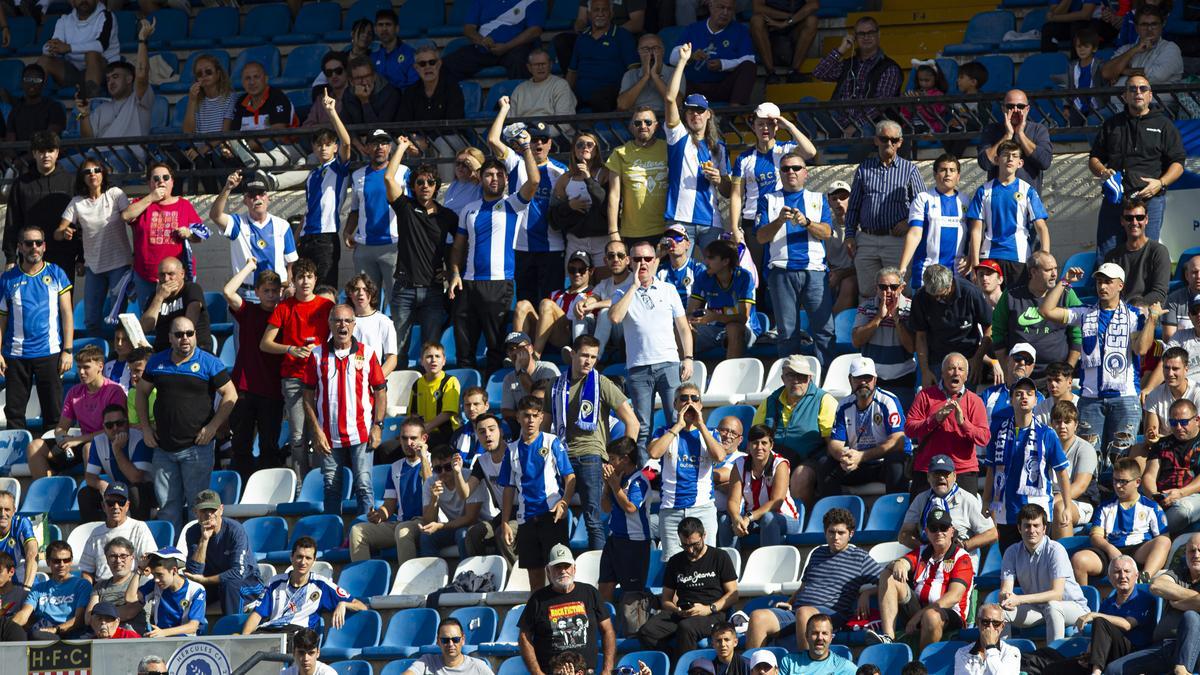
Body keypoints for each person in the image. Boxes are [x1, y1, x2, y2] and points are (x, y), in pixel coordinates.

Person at [1039, 262, 1160, 459]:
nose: (1102, 287)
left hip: (1125, 396)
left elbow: (1141, 348)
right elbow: (1046, 310)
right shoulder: (1085, 312)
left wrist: (1152, 320)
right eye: (1099, 282)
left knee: (1121, 457)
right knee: (1089, 458)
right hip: (1090, 398)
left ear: (1120, 285)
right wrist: (1064, 282)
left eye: (1108, 282)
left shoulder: (1134, 315)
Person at [448, 134, 541, 375]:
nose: (495, 179)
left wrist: (527, 149)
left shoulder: (512, 204)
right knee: (464, 347)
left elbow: (533, 181)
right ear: (480, 178)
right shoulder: (469, 209)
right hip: (467, 284)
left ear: (506, 180)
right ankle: (465, 395)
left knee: (495, 347)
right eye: (489, 174)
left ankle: (491, 403)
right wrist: (455, 273)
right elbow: (458, 246)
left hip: (499, 284)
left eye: (500, 175)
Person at [136, 316, 238, 531]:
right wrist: (145, 427)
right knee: (166, 508)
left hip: (197, 448)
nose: (185, 338)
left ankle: (197, 557)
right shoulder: (157, 361)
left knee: (198, 507)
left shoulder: (208, 361)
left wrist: (213, 427)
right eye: (179, 334)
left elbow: (231, 395)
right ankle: (170, 558)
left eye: (189, 333)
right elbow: (141, 394)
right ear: (170, 338)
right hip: (163, 448)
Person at [744, 507, 881, 650]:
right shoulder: (817, 553)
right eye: (831, 532)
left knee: (804, 613)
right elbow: (804, 586)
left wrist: (867, 593)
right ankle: (750, 668)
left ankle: (805, 666)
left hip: (832, 615)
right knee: (757, 617)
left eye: (841, 533)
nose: (836, 537)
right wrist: (790, 602)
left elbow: (886, 581)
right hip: (798, 611)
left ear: (850, 534)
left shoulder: (860, 557)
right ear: (825, 532)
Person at [548, 335, 639, 549]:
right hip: (560, 456)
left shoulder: (601, 383)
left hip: (591, 455)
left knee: (593, 519)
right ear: (572, 354)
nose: (589, 361)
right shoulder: (555, 384)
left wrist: (625, 459)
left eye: (593, 357)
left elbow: (632, 422)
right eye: (584, 355)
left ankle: (597, 572)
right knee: (553, 515)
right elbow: (545, 424)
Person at [610, 241, 695, 454]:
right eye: (637, 259)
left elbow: (684, 328)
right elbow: (615, 317)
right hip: (638, 368)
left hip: (668, 363)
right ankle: (642, 475)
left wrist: (688, 357)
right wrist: (634, 286)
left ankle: (676, 469)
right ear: (629, 262)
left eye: (648, 258)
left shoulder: (668, 289)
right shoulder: (621, 292)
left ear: (655, 261)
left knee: (677, 420)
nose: (643, 263)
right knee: (642, 427)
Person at [1088, 74, 1185, 256]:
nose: (1137, 92)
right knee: (1108, 255)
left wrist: (1160, 183)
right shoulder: (1112, 124)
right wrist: (1102, 171)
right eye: (1132, 89)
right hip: (1115, 201)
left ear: (1150, 95)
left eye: (1143, 89)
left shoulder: (1164, 125)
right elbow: (1094, 159)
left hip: (1150, 200)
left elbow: (1178, 163)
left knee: (1146, 255)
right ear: (1125, 96)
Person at [301, 304, 383, 516]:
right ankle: (333, 537)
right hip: (328, 434)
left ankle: (365, 533)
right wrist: (316, 431)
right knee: (330, 488)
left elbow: (381, 391)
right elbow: (307, 396)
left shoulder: (368, 353)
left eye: (347, 320)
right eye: (337, 320)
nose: (342, 325)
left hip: (362, 432)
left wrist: (378, 426)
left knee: (364, 486)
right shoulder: (317, 355)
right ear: (329, 324)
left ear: (354, 324)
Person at [261, 259, 334, 483]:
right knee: (298, 436)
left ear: (315, 279)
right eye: (300, 277)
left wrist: (321, 349)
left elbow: (342, 338)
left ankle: (324, 483)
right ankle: (301, 487)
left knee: (320, 432)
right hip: (293, 378)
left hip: (321, 377)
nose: (305, 282)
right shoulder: (284, 307)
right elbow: (265, 343)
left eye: (309, 277)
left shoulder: (326, 306)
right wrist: (291, 348)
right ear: (293, 281)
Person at [754, 149, 832, 361]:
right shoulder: (768, 200)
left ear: (805, 173)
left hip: (814, 271)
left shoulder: (818, 198)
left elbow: (827, 232)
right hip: (781, 271)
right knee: (787, 333)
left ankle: (824, 379)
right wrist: (779, 221)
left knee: (824, 331)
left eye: (796, 168)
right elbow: (760, 238)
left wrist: (806, 222)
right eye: (786, 169)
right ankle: (791, 382)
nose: (791, 172)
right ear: (780, 173)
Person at [488, 105, 568, 306]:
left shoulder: (561, 170)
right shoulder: (515, 162)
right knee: (525, 304)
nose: (539, 143)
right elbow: (492, 140)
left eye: (544, 139)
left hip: (552, 246)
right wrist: (505, 109)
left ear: (550, 144)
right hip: (521, 247)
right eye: (534, 139)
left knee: (549, 304)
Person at [981, 375, 1072, 550]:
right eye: (1019, 393)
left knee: (1039, 566)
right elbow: (992, 470)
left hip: (1037, 511)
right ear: (1010, 399)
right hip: (1006, 512)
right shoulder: (998, 433)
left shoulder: (1047, 433)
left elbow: (1062, 472)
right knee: (1012, 565)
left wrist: (1067, 506)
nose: (1024, 397)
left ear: (1036, 400)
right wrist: (986, 500)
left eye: (1029, 393)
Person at [866, 508, 973, 652]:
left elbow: (954, 597)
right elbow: (904, 562)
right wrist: (899, 563)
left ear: (951, 531)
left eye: (944, 527)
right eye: (934, 528)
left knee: (931, 616)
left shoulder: (962, 557)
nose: (939, 532)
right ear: (927, 532)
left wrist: (920, 615)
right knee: (888, 575)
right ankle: (888, 638)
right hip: (919, 607)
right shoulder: (923, 552)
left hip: (948, 613)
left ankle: (922, 664)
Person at [0, 223, 73, 432]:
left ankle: (52, 458)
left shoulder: (56, 273)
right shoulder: (7, 279)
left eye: (38, 243)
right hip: (16, 355)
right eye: (29, 243)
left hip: (49, 353)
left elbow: (67, 314)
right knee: (14, 413)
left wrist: (67, 350)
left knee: (53, 411)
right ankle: (17, 459)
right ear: (20, 247)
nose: (34, 247)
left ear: (44, 246)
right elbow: (1, 319)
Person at [385, 150, 456, 366]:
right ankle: (396, 391)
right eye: (420, 181)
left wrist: (452, 270)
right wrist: (400, 149)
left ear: (436, 186)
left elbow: (461, 245)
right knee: (397, 349)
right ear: (413, 185)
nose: (425, 185)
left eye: (430, 182)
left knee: (431, 351)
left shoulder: (448, 216)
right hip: (404, 288)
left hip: (434, 290)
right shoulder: (405, 207)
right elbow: (388, 177)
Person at [844, 120, 927, 299]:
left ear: (900, 142)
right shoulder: (864, 169)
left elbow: (923, 205)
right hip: (866, 239)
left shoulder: (910, 170)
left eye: (894, 140)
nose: (889, 143)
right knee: (867, 292)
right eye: (884, 139)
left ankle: (898, 326)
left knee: (900, 291)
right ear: (876, 140)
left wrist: (908, 223)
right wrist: (849, 235)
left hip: (897, 242)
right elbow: (854, 206)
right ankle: (870, 326)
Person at [500, 396, 576, 591]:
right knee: (534, 575)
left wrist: (564, 503)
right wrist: (505, 522)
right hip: (526, 519)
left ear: (542, 417)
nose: (531, 420)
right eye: (526, 416)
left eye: (535, 415)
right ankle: (541, 618)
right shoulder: (511, 450)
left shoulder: (552, 442)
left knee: (559, 573)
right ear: (518, 417)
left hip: (552, 516)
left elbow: (570, 477)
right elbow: (508, 489)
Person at [638, 517, 738, 659]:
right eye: (684, 545)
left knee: (686, 627)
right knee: (646, 631)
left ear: (704, 536)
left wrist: (709, 608)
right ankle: (674, 664)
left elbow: (733, 594)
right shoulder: (675, 561)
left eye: (695, 544)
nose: (690, 550)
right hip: (683, 612)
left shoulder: (719, 557)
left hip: (712, 613)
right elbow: (666, 599)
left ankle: (687, 669)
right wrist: (676, 610)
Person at [664, 44, 731, 253]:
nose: (695, 115)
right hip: (680, 219)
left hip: (711, 221)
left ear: (708, 114)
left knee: (716, 272)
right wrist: (683, 62)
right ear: (685, 115)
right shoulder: (679, 137)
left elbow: (728, 191)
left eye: (700, 111)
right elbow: (669, 99)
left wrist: (719, 179)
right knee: (679, 273)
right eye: (691, 111)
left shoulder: (719, 147)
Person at [1104, 532, 1200, 675]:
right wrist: (1195, 599)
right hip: (1163, 647)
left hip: (1194, 649)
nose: (1196, 555)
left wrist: (1178, 601)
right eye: (1192, 550)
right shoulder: (1178, 573)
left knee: (1191, 616)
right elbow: (1156, 586)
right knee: (1113, 670)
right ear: (1185, 553)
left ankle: (1182, 670)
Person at [27, 343, 125, 481]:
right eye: (79, 367)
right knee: (34, 446)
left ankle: (92, 495)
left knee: (88, 449)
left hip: (106, 443)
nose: (81, 372)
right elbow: (61, 427)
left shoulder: (115, 391)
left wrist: (78, 440)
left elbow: (115, 429)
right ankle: (47, 493)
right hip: (79, 442)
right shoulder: (74, 392)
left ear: (100, 367)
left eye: (86, 367)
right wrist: (62, 438)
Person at [57, 158, 133, 337]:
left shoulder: (115, 194)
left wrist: (136, 253)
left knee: (118, 317)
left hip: (119, 264)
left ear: (103, 173)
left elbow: (132, 219)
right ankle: (94, 355)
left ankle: (119, 354)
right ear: (81, 178)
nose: (92, 174)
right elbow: (58, 231)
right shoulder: (77, 202)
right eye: (87, 172)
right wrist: (64, 232)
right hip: (93, 267)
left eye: (96, 170)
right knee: (91, 318)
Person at [649, 383, 726, 558]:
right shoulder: (664, 432)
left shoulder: (711, 433)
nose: (689, 402)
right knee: (673, 564)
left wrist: (701, 425)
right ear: (675, 404)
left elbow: (719, 456)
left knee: (706, 562)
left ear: (700, 405)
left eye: (694, 398)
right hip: (671, 510)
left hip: (702, 508)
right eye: (683, 398)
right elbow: (654, 452)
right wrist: (678, 426)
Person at [223, 262, 284, 478]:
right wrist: (249, 268)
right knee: (241, 446)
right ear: (256, 291)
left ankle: (267, 491)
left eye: (274, 291)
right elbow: (228, 291)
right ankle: (242, 491)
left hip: (272, 391)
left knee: (269, 447)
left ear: (280, 292)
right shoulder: (248, 310)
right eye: (265, 290)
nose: (270, 295)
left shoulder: (284, 314)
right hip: (244, 388)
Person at [752, 355, 837, 506]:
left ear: (810, 378)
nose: (796, 380)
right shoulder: (770, 401)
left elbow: (832, 442)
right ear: (783, 378)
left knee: (800, 476)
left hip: (810, 460)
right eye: (791, 375)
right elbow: (755, 438)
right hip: (775, 459)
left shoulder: (824, 400)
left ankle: (797, 522)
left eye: (802, 376)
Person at [242, 536, 366, 640]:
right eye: (299, 556)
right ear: (292, 557)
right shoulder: (275, 582)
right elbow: (257, 614)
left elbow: (362, 606)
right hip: (271, 632)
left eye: (308, 558)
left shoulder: (321, 584)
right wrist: (244, 639)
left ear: (314, 560)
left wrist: (343, 604)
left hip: (296, 635)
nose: (303, 562)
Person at [518, 543, 614, 675]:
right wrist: (537, 672)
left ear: (574, 568)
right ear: (548, 571)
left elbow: (607, 630)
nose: (563, 571)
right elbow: (524, 636)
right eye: (557, 567)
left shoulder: (590, 592)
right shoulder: (537, 599)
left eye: (566, 566)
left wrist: (607, 670)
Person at [1071, 458, 1169, 586]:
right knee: (1079, 560)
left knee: (1164, 541)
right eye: (1115, 480)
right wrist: (1110, 549)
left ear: (1137, 482)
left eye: (1123, 481)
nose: (1117, 485)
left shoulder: (1152, 507)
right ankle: (1083, 602)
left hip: (1138, 550)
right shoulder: (1104, 507)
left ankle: (1142, 581)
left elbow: (1163, 539)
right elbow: (1096, 537)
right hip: (1111, 551)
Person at [820, 356, 909, 498]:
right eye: (858, 378)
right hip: (857, 465)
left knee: (896, 460)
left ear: (875, 379)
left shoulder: (888, 401)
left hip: (883, 463)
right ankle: (835, 514)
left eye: (867, 378)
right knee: (826, 463)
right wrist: (843, 457)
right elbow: (835, 443)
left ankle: (897, 513)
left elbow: (898, 441)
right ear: (850, 380)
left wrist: (862, 456)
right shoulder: (843, 405)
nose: (863, 382)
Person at [999, 504, 1090, 641]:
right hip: (1037, 608)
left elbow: (1057, 594)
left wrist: (1019, 599)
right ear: (1019, 528)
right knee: (1000, 613)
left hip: (1071, 606)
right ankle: (1002, 658)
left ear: (1044, 529)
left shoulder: (1055, 550)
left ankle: (1052, 658)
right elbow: (1005, 590)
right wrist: (1006, 597)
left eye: (1036, 525)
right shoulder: (1011, 552)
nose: (1032, 530)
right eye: (1027, 526)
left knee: (1053, 606)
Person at [121, 163, 207, 309]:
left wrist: (189, 233)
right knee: (150, 319)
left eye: (165, 177)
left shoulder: (184, 205)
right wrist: (151, 198)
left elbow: (199, 237)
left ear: (172, 182)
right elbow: (126, 215)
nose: (161, 181)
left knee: (176, 320)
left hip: (175, 278)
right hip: (146, 276)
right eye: (156, 178)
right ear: (149, 183)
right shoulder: (141, 203)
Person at [966, 140, 1051, 286]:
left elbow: (1042, 228)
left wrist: (1045, 260)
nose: (1010, 158)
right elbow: (976, 230)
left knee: (1017, 305)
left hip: (1019, 257)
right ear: (997, 160)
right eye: (1006, 155)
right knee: (990, 304)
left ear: (1020, 163)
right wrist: (975, 264)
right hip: (989, 256)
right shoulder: (984, 191)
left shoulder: (1028, 190)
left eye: (1014, 155)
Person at [904, 353, 991, 495]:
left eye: (961, 369)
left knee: (963, 517)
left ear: (966, 376)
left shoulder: (975, 401)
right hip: (928, 470)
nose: (956, 372)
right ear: (942, 373)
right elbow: (909, 430)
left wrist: (963, 423)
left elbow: (984, 438)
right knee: (920, 516)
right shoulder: (925, 396)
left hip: (963, 471)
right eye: (951, 368)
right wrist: (934, 419)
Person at [348, 417, 431, 564]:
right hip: (400, 523)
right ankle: (364, 582)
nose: (408, 443)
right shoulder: (395, 467)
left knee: (403, 530)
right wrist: (379, 515)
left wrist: (423, 457)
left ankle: (406, 584)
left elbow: (431, 487)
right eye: (404, 438)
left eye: (413, 438)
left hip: (427, 522)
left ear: (424, 439)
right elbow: (390, 505)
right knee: (357, 532)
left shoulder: (434, 462)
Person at [991, 252, 1082, 378]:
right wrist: (1007, 373)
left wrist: (1068, 372)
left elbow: (1078, 333)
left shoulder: (1066, 294)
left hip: (1057, 376)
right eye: (1048, 270)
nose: (1054, 274)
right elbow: (998, 333)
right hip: (1021, 375)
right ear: (1033, 272)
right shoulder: (1011, 295)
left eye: (1056, 269)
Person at [811, 17, 902, 142]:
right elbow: (819, 73)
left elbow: (880, 104)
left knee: (867, 133)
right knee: (807, 103)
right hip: (838, 120)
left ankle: (851, 161)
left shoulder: (889, 67)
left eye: (870, 33)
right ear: (855, 37)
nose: (866, 37)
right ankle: (808, 155)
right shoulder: (848, 64)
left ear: (878, 34)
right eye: (861, 34)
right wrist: (841, 49)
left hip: (869, 124)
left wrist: (855, 125)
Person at [345, 131, 405, 306]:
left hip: (394, 245)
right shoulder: (357, 176)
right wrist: (348, 231)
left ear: (390, 147)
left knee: (398, 302)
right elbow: (355, 210)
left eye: (384, 143)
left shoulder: (403, 172)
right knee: (365, 303)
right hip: (364, 248)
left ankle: (397, 335)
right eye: (375, 143)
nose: (380, 147)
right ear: (367, 148)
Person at [910, 265, 993, 390]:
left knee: (964, 405)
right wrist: (925, 371)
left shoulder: (970, 292)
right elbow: (920, 337)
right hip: (936, 360)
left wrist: (978, 358)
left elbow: (990, 327)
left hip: (967, 359)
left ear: (950, 285)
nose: (937, 299)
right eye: (933, 296)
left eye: (941, 295)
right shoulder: (920, 297)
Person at [77, 18, 153, 153]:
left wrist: (142, 41)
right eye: (108, 79)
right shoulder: (101, 108)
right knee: (62, 167)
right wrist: (84, 114)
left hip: (129, 158)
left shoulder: (139, 99)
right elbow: (87, 140)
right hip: (98, 160)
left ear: (130, 79)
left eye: (116, 77)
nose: (111, 82)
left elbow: (141, 73)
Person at [183, 489, 263, 614]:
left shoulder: (235, 530)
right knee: (186, 589)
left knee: (230, 585)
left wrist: (205, 581)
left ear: (221, 509)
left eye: (213, 510)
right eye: (204, 510)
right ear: (195, 512)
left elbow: (238, 573)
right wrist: (204, 540)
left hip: (248, 581)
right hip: (214, 584)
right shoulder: (192, 532)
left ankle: (233, 631)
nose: (209, 514)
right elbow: (194, 573)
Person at [899, 454, 998, 554]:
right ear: (928, 477)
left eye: (946, 473)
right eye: (936, 474)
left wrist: (964, 546)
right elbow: (904, 535)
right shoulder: (921, 499)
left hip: (959, 559)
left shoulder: (968, 499)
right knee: (895, 567)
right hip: (927, 557)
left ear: (954, 476)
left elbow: (992, 534)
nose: (941, 477)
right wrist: (926, 549)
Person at [723, 425, 801, 547]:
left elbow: (776, 503)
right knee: (725, 520)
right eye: (755, 443)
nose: (759, 447)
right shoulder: (739, 464)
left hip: (783, 518)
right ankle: (730, 564)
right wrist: (736, 518)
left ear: (771, 445)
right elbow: (733, 500)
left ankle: (770, 564)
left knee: (768, 518)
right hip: (753, 519)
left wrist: (748, 517)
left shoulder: (780, 464)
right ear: (748, 445)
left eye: (764, 443)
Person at [898, 154, 966, 292]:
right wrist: (902, 267)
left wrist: (970, 258)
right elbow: (915, 234)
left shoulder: (966, 201)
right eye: (943, 170)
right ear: (935, 174)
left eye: (952, 170)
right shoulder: (923, 199)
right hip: (926, 275)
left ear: (958, 176)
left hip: (957, 275)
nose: (948, 174)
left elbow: (973, 235)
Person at [851, 267, 916, 408]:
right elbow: (857, 341)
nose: (888, 291)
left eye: (893, 287)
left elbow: (911, 347)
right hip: (871, 380)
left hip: (902, 380)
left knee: (901, 427)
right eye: (883, 287)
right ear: (876, 288)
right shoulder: (866, 307)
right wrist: (879, 317)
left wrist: (896, 318)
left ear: (902, 287)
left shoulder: (911, 309)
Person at [670, 0, 756, 105]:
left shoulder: (740, 30)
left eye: (729, 9)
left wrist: (723, 64)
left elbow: (749, 60)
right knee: (674, 77)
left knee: (749, 67)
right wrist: (691, 56)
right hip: (694, 86)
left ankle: (734, 114)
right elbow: (672, 58)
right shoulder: (693, 29)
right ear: (710, 6)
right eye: (721, 7)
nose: (725, 13)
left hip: (722, 86)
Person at [551, 135, 612, 280]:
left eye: (590, 144)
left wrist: (588, 179)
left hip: (602, 239)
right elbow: (553, 217)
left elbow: (606, 205)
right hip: (576, 241)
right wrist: (569, 206)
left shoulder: (605, 174)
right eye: (579, 145)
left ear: (596, 150)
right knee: (577, 287)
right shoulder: (565, 179)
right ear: (573, 150)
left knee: (604, 286)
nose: (585, 147)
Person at [597, 437, 650, 601]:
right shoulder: (616, 479)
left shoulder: (640, 480)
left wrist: (614, 485)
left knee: (631, 596)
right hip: (614, 540)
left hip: (634, 544)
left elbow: (630, 508)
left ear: (625, 458)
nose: (609, 463)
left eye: (612, 458)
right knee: (604, 589)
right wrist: (607, 486)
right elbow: (605, 508)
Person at [606, 107, 669, 244]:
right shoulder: (619, 153)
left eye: (648, 122)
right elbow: (614, 195)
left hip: (666, 229)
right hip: (633, 231)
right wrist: (613, 231)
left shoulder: (668, 149)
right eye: (637, 123)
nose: (643, 126)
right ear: (631, 127)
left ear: (656, 125)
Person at [688, 239, 761, 359]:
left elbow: (743, 318)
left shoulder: (744, 277)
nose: (706, 262)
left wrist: (716, 317)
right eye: (706, 257)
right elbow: (691, 312)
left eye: (711, 258)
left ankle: (729, 376)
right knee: (684, 328)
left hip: (745, 330)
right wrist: (691, 320)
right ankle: (684, 372)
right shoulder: (703, 277)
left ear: (726, 261)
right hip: (714, 328)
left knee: (733, 328)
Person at [441, 0, 545, 82]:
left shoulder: (532, 1)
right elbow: (469, 28)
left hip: (514, 48)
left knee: (521, 60)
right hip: (484, 47)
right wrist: (482, 41)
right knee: (445, 65)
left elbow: (535, 30)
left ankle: (520, 104)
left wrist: (507, 46)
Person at [463, 413, 519, 562]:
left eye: (491, 429)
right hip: (504, 514)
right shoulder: (481, 461)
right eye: (482, 432)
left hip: (525, 513)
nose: (487, 435)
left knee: (504, 533)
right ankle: (482, 578)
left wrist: (505, 522)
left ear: (500, 431)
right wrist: (456, 473)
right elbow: (466, 492)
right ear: (477, 436)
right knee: (473, 534)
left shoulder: (516, 453)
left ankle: (514, 577)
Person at [36, 0, 120, 98]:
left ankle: (91, 104)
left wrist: (69, 47)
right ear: (72, 1)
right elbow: (52, 46)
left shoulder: (107, 16)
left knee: (92, 54)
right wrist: (51, 48)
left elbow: (101, 45)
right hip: (74, 72)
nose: (84, 1)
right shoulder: (64, 20)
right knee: (44, 60)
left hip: (105, 72)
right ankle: (34, 106)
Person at [978, 90, 1054, 194]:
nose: (1015, 110)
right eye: (1010, 107)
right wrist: (1007, 135)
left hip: (1027, 202)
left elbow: (1045, 162)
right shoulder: (992, 130)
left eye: (1020, 107)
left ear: (1027, 109)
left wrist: (1021, 134)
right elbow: (985, 163)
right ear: (1003, 108)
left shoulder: (1038, 130)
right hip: (998, 200)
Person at [82, 407, 151, 521]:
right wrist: (102, 485)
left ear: (127, 423)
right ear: (104, 428)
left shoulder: (140, 438)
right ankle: (96, 532)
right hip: (120, 489)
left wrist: (117, 450)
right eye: (109, 425)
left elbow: (136, 478)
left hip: (147, 490)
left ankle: (140, 529)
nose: (115, 428)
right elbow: (89, 477)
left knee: (135, 490)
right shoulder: (98, 441)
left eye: (119, 423)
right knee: (85, 494)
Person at [78, 482, 156, 582]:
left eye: (121, 502)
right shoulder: (95, 533)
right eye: (111, 502)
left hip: (132, 586)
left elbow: (149, 563)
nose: (116, 506)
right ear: (103, 506)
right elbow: (86, 571)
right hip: (102, 589)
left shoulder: (139, 527)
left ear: (127, 506)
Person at [1142, 399, 1200, 532]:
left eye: (1184, 422)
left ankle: (1149, 535)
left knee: (1182, 510)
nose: (1179, 427)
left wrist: (1180, 493)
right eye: (1174, 423)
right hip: (1163, 496)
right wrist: (1154, 496)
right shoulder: (1162, 444)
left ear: (1197, 420)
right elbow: (1149, 475)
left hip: (1191, 495)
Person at [13, 541, 91, 640]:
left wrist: (55, 630)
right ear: (48, 562)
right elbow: (24, 614)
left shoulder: (82, 585)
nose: (62, 564)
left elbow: (79, 619)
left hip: (71, 634)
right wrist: (7, 627)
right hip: (42, 632)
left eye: (66, 560)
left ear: (71, 561)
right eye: (56, 561)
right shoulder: (38, 588)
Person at [1103, 199, 1171, 306]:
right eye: (1129, 218)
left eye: (1139, 217)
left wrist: (1135, 308)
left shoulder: (1159, 252)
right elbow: (1108, 289)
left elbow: (1160, 292)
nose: (1134, 222)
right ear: (1122, 221)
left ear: (1146, 220)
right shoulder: (1112, 256)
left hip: (1148, 312)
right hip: (1119, 313)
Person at [417, 445, 481, 557]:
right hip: (455, 526)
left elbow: (471, 518)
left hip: (479, 524)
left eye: (447, 467)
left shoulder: (470, 476)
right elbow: (428, 521)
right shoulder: (430, 483)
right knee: (426, 536)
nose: (442, 472)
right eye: (437, 469)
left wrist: (441, 526)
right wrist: (434, 499)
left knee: (462, 534)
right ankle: (431, 573)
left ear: (455, 464)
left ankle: (467, 573)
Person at [140, 256, 212, 353]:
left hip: (192, 349)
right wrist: (159, 298)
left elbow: (188, 326)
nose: (166, 279)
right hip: (163, 351)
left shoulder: (191, 289)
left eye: (171, 274)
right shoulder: (156, 295)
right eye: (162, 275)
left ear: (182, 274)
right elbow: (145, 327)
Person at [1049, 401, 1099, 539]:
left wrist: (1050, 502)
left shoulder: (1085, 449)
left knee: (1060, 508)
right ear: (1051, 424)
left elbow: (1080, 486)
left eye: (1067, 422)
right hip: (1050, 497)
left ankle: (1062, 558)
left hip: (1081, 501)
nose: (1062, 426)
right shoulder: (1045, 447)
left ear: (1076, 424)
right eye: (1058, 422)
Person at [130, 547, 206, 637]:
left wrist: (163, 632)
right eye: (153, 575)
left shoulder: (197, 590)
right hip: (160, 638)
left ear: (174, 570)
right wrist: (139, 570)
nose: (156, 580)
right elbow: (130, 598)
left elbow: (192, 626)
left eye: (159, 575)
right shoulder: (155, 584)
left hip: (185, 643)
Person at [1100, 6, 1182, 87]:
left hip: (1155, 100)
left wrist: (1123, 71)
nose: (1149, 29)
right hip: (1119, 100)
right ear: (1136, 28)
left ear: (1162, 25)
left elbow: (1156, 76)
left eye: (1154, 24)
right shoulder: (1126, 49)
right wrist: (1134, 50)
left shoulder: (1170, 48)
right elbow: (1106, 73)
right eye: (1144, 24)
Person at [749, 0, 820, 82]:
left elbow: (814, 5)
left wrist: (788, 22)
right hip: (771, 28)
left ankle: (794, 71)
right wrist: (787, 17)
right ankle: (770, 73)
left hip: (794, 29)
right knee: (756, 20)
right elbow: (757, 8)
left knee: (812, 20)